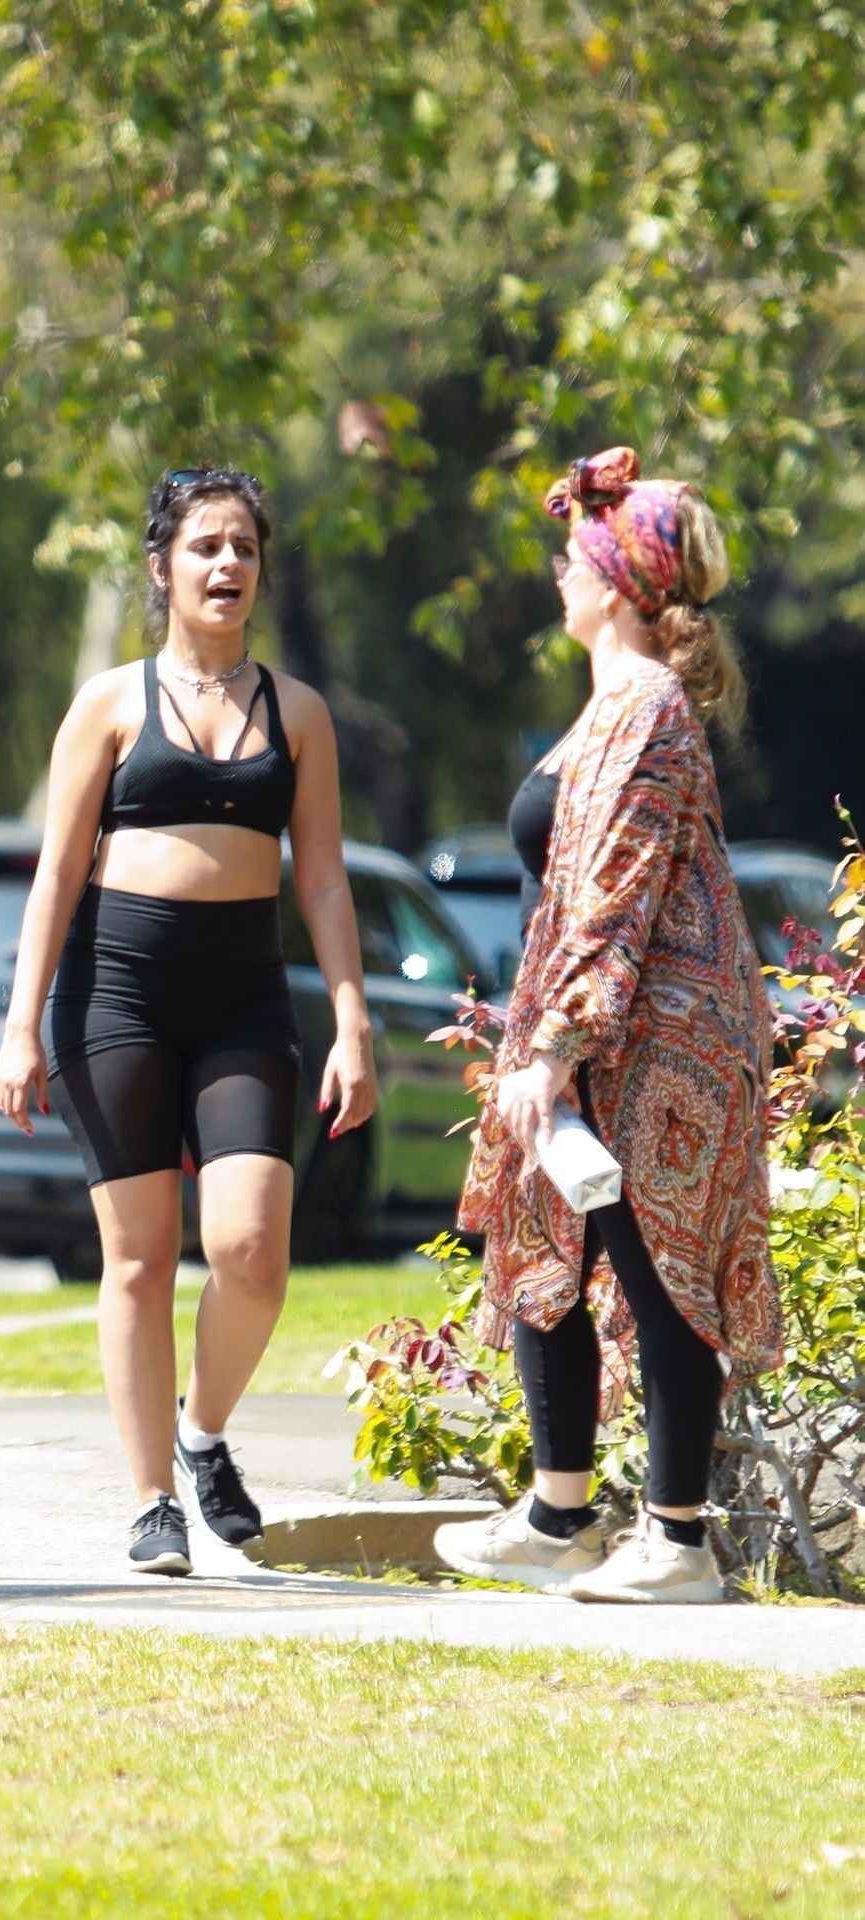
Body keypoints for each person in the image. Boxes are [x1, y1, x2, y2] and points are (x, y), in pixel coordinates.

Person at [0, 467, 376, 1575]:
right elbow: (56, 875)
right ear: (161, 568)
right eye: (205, 545)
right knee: (141, 1257)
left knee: (251, 1249)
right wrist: (20, 1025)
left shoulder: (298, 713)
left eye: (243, 547)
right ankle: (152, 1500)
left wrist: (351, 1022)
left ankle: (200, 1434)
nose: (226, 564)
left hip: (244, 998)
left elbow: (323, 882)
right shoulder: (109, 704)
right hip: (114, 994)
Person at [435, 446, 783, 1604]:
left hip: (659, 1039)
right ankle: (558, 1519)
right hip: (598, 1029)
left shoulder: (646, 711)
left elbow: (611, 895)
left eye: (571, 559)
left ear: (614, 584)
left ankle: (677, 1545)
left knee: (657, 1269)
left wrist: (552, 1047)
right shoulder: (609, 706)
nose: (556, 574)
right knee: (544, 1247)